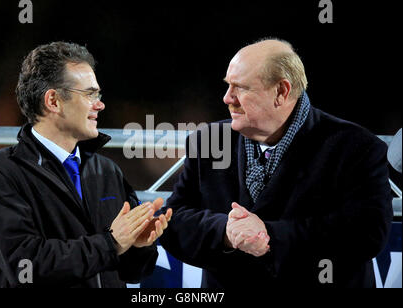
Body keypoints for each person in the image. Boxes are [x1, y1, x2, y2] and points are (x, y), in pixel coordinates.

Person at [159, 38, 393, 288]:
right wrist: (226, 233)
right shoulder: (208, 140)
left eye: (240, 88)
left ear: (281, 91)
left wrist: (269, 236)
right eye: (228, 86)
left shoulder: (356, 147)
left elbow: (366, 233)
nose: (227, 98)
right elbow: (174, 221)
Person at [0, 41, 172, 288]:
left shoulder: (106, 171)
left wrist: (138, 245)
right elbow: (25, 266)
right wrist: (111, 243)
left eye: (99, 94)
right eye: (89, 94)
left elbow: (131, 273)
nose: (100, 104)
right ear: (53, 101)